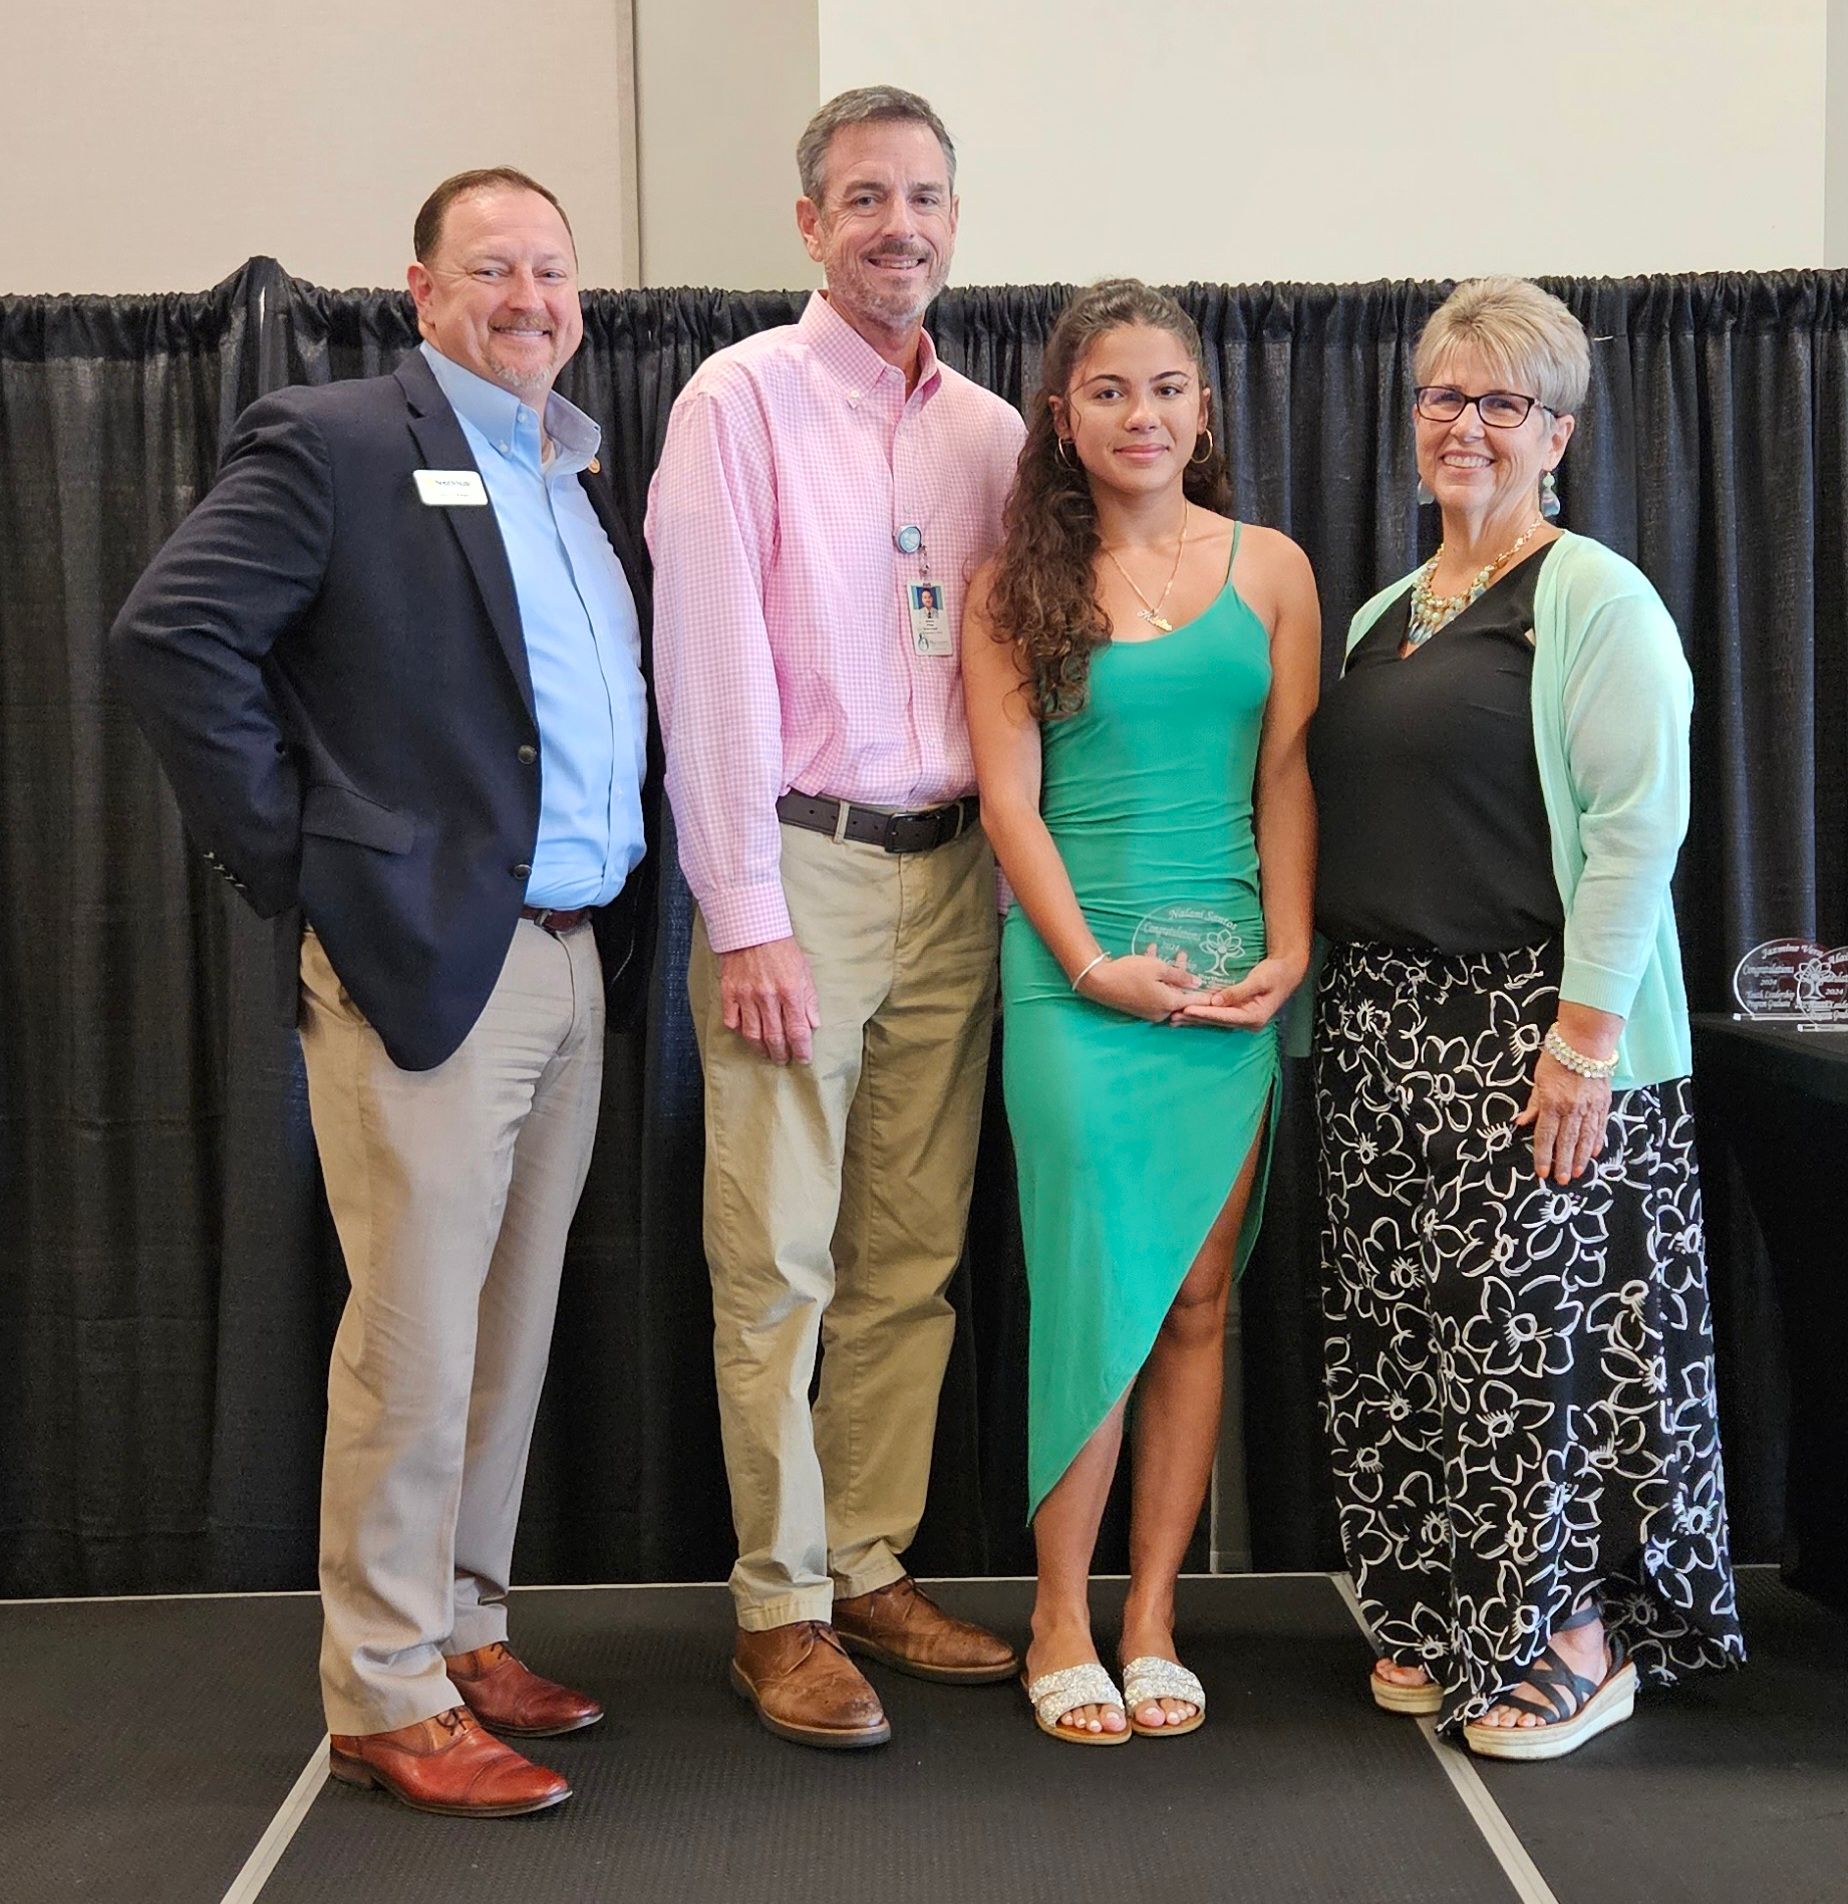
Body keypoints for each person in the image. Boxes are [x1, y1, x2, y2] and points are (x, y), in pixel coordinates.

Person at [110, 168, 653, 1817]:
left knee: (508, 1329)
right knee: (414, 1345)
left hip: (575, 961)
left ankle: (467, 1627)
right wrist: (311, 862)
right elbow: (170, 638)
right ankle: (385, 1690)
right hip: (428, 959)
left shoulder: (573, 473)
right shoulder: (341, 440)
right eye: (491, 269)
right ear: (419, 292)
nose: (529, 296)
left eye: (552, 271)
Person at [1308, 275, 1745, 1760]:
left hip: (1529, 1032)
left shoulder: (1595, 598)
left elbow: (1635, 831)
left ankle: (1576, 1636)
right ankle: (1445, 1613)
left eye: (1503, 402)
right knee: (1409, 1346)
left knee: (1530, 1349)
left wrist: (1583, 1046)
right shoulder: (1381, 613)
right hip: (1382, 1032)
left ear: (1558, 432)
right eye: (1445, 395)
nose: (1467, 426)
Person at [645, 86, 1025, 1748]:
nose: (900, 226)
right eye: (864, 198)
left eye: (925, 197)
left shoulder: (996, 434)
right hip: (798, 869)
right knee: (779, 1259)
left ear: (955, 218)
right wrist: (741, 910)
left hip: (961, 873)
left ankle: (870, 1561)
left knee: (911, 1260)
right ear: (810, 225)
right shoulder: (737, 402)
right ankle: (781, 1607)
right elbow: (707, 668)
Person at [963, 279, 1319, 1743]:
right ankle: (1060, 1616)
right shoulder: (1009, 588)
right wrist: (1092, 962)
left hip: (1234, 985)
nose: (1142, 414)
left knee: (1196, 1299)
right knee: (1095, 1294)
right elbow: (1007, 803)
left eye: (1167, 386)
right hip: (1076, 986)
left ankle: (1154, 1615)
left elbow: (1284, 777)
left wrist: (1291, 949)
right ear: (1064, 417)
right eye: (1109, 390)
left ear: (1205, 407)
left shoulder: (1276, 571)